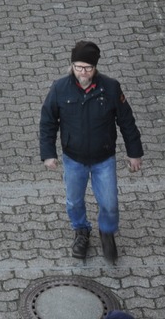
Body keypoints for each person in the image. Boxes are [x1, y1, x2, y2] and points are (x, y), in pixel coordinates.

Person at [40, 40, 143, 264]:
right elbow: (48, 121)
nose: (83, 72)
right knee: (74, 201)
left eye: (88, 67)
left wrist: (134, 153)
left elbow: (127, 122)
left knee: (109, 202)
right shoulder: (59, 88)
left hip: (103, 159)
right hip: (73, 159)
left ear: (95, 67)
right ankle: (81, 232)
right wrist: (48, 153)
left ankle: (107, 233)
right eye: (78, 67)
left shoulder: (111, 88)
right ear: (72, 65)